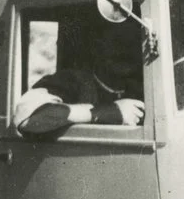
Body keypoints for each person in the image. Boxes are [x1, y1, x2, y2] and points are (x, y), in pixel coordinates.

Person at [14, 16, 145, 136]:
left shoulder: (145, 87)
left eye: (132, 43)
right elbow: (29, 119)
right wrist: (109, 112)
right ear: (97, 47)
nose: (125, 51)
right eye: (117, 42)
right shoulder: (72, 81)